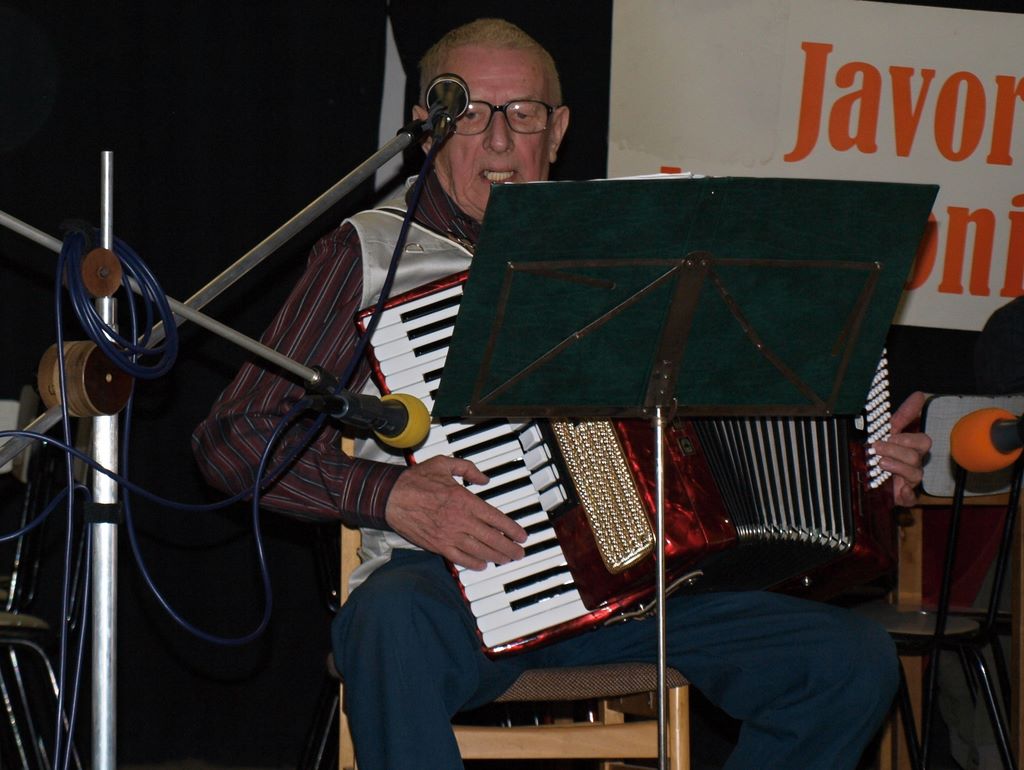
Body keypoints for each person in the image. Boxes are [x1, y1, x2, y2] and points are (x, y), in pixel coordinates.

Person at [193, 18, 932, 770]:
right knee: (385, 623)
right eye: (468, 114)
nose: (499, 140)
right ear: (426, 130)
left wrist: (861, 471)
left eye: (523, 113)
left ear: (559, 129)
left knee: (849, 661)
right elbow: (233, 437)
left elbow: (748, 425)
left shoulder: (639, 243)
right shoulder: (373, 256)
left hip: (650, 597)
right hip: (456, 594)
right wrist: (388, 494)